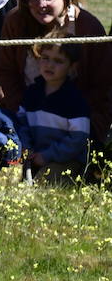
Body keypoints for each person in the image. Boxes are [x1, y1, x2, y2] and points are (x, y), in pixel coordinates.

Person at [0, 0, 110, 139]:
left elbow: (103, 83)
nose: (40, 4)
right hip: (26, 114)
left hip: (77, 119)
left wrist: (75, 117)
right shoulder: (15, 22)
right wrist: (22, 112)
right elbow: (7, 72)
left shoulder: (88, 27)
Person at [16, 40, 91, 179]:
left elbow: (78, 138)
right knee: (9, 175)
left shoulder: (74, 99)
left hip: (66, 160)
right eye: (45, 58)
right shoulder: (32, 92)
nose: (50, 65)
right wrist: (26, 147)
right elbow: (22, 123)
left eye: (58, 61)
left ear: (72, 67)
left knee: (43, 182)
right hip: (34, 156)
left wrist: (47, 156)